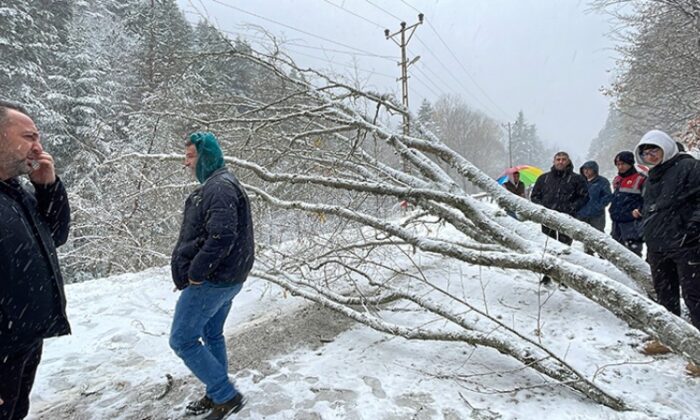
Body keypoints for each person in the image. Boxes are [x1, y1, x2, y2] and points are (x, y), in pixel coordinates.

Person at [170, 131, 255, 419]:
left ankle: (226, 396)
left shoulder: (218, 187)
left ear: (207, 156)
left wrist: (195, 272)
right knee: (211, 333)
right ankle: (215, 392)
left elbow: (222, 235)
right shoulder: (221, 183)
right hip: (230, 278)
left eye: (191, 156)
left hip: (213, 281)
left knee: (182, 340)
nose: (187, 164)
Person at [0, 101, 71, 419]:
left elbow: (54, 236)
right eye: (29, 137)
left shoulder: (15, 192)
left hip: (23, 340)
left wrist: (48, 188)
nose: (39, 147)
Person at [635, 130, 700, 375]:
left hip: (686, 243)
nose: (650, 155)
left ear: (666, 147)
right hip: (658, 245)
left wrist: (695, 226)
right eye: (645, 152)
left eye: (654, 150)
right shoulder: (653, 175)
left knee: (695, 297)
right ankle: (668, 338)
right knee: (665, 295)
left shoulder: (689, 167)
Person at [531, 151, 588, 284]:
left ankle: (563, 277)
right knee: (548, 247)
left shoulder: (577, 179)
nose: (560, 162)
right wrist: (542, 208)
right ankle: (547, 275)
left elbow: (584, 197)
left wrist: (572, 208)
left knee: (564, 248)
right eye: (558, 159)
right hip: (547, 218)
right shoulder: (544, 178)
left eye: (563, 159)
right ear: (553, 161)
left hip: (567, 219)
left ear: (568, 161)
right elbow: (534, 196)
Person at [609, 151, 645, 256]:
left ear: (630, 163)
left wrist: (639, 210)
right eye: (618, 164)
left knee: (633, 254)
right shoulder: (618, 179)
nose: (620, 167)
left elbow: (647, 199)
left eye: (623, 164)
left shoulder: (640, 179)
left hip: (631, 223)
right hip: (617, 221)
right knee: (616, 253)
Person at [577, 161, 612, 255]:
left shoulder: (602, 181)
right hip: (583, 214)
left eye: (589, 169)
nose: (586, 171)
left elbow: (608, 197)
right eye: (584, 169)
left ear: (595, 170)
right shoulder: (580, 181)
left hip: (597, 215)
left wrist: (597, 207)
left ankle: (603, 254)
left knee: (599, 235)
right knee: (585, 235)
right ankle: (588, 253)